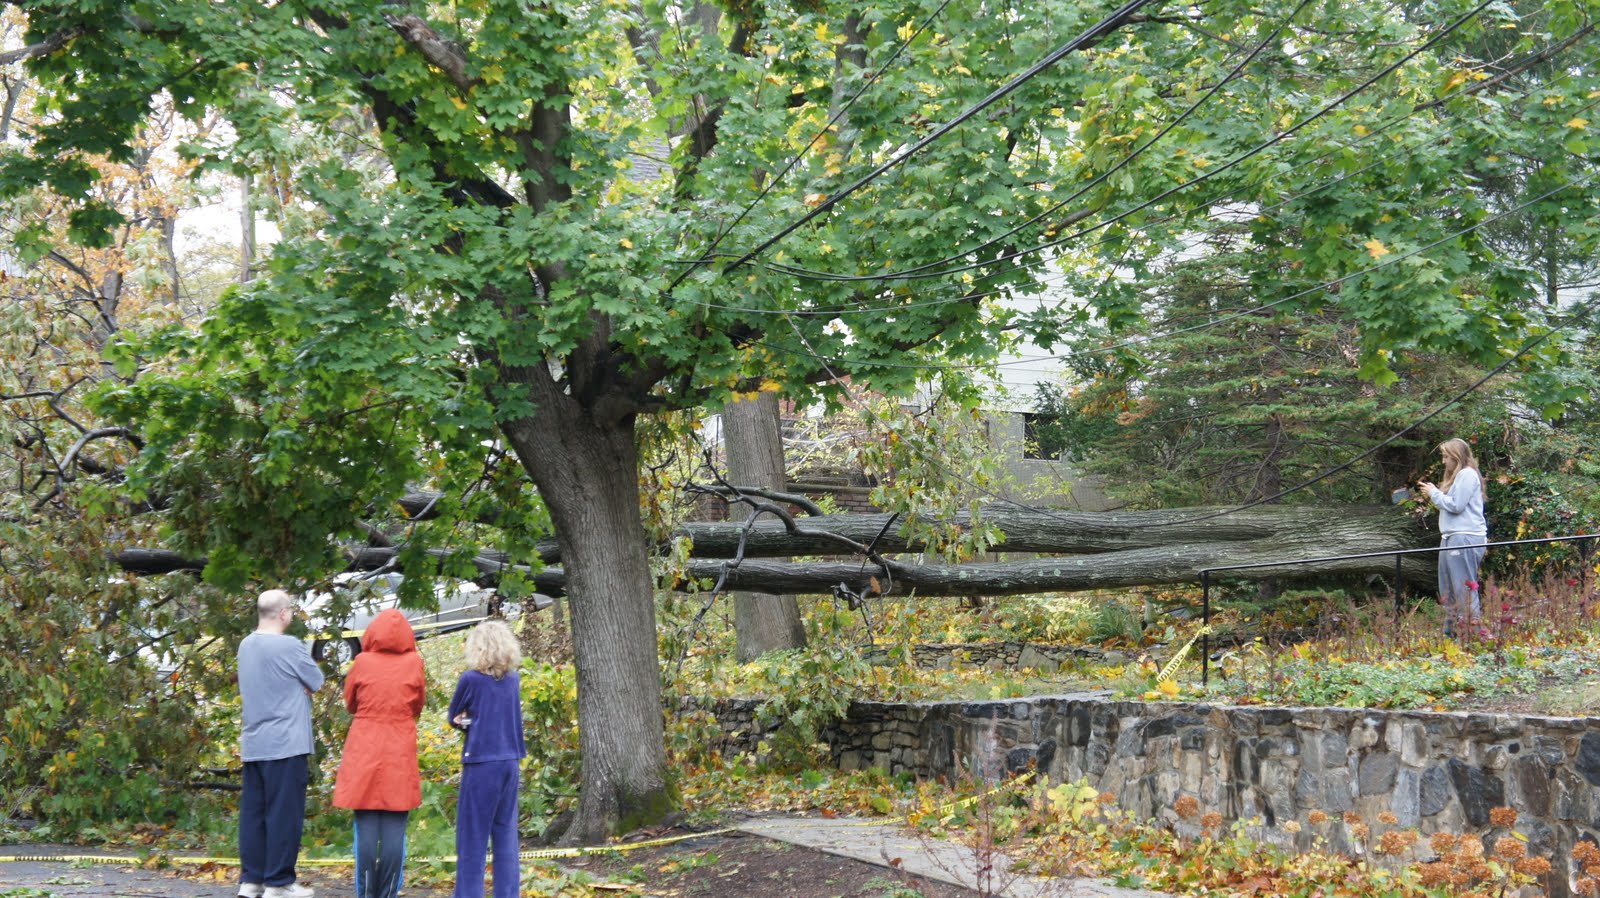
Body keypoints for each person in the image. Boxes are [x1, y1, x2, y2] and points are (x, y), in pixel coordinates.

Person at [331, 609, 426, 898]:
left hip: (365, 744)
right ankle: (388, 892)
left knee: (366, 821)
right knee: (396, 822)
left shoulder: (361, 662)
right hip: (400, 745)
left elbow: (350, 702)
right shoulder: (414, 663)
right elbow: (418, 705)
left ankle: (366, 891)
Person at [238, 589, 326, 898]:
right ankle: (279, 882)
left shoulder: (245, 645)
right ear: (283, 613)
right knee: (284, 815)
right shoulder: (289, 645)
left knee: (254, 815)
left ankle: (252, 880)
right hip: (286, 742)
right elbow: (316, 681)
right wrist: (299, 684)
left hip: (254, 742)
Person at [447, 620, 526, 898]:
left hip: (481, 762)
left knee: (473, 837)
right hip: (510, 760)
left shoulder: (470, 679)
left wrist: (468, 721)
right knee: (506, 835)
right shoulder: (513, 679)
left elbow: (455, 716)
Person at [1419, 438, 1488, 638]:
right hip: (1450, 537)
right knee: (1447, 589)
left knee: (1463, 587)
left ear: (1457, 457)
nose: (1443, 461)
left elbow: (1456, 505)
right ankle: (1451, 635)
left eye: (1446, 457)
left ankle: (1473, 635)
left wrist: (1433, 493)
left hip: (1464, 537)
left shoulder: (1467, 474)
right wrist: (1435, 494)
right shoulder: (1459, 477)